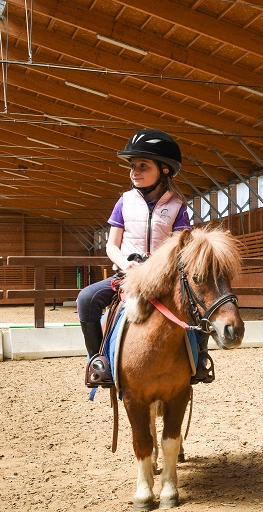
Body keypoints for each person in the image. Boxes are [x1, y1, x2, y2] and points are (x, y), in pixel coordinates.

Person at [79, 130, 193, 388]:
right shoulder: (124, 201)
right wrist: (124, 264)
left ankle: (200, 360)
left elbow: (180, 245)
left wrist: (158, 265)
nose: (135, 171)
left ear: (165, 170)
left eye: (143, 166)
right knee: (86, 299)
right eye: (133, 166)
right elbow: (111, 244)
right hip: (127, 275)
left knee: (196, 303)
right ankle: (98, 361)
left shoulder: (177, 205)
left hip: (162, 276)